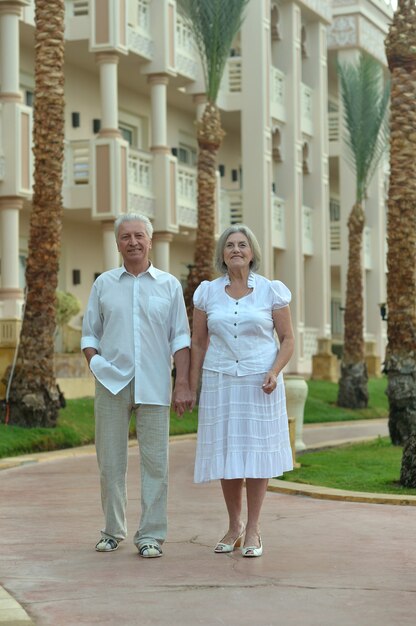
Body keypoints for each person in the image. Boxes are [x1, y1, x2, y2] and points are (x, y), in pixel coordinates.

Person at [81, 213, 191, 558]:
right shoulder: (104, 285)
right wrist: (96, 365)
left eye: (139, 236)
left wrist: (183, 383)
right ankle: (112, 531)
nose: (133, 242)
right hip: (111, 385)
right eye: (126, 236)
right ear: (117, 244)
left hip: (155, 385)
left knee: (156, 463)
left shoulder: (169, 285)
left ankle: (151, 536)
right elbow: (89, 334)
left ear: (150, 240)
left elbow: (181, 340)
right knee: (110, 462)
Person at [189, 224, 295, 558]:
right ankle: (234, 526)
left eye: (242, 245)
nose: (236, 249)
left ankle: (253, 529)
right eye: (230, 245)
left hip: (259, 382)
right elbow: (198, 342)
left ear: (252, 252)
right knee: (227, 453)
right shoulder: (207, 293)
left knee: (257, 457)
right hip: (220, 380)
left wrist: (274, 372)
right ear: (222, 253)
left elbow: (288, 339)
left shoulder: (271, 291)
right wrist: (190, 384)